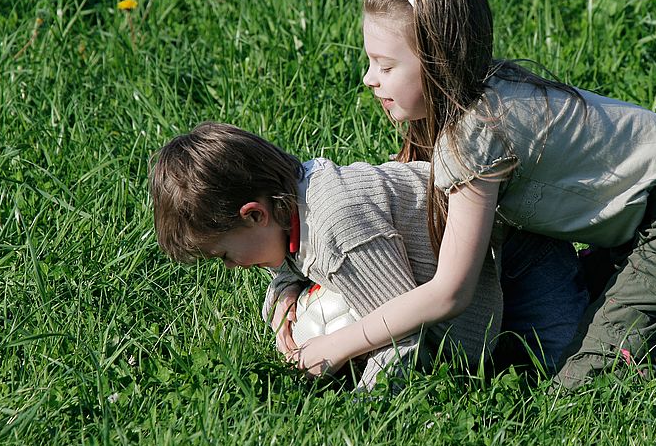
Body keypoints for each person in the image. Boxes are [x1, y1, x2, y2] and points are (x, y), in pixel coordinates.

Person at [287, 0, 656, 389]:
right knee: (572, 324)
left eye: (385, 64)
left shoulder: (474, 135)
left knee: (583, 376)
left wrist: (338, 344)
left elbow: (451, 291)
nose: (368, 78)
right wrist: (295, 283)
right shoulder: (468, 103)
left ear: (438, 61)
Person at [148, 121, 505, 391]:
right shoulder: (294, 201)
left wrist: (364, 407)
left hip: (473, 332)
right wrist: (283, 297)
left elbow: (402, 330)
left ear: (255, 215)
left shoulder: (339, 230)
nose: (230, 266)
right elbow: (292, 263)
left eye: (224, 254)